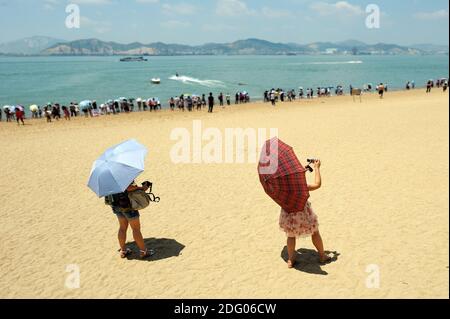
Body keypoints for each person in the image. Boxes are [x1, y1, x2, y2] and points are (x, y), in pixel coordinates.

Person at [279, 160, 331, 268]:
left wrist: (303, 170)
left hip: (288, 213)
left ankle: (291, 259)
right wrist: (317, 168)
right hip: (303, 213)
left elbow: (292, 178)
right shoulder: (301, 186)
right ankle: (322, 255)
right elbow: (317, 184)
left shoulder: (282, 186)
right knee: (315, 232)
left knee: (290, 236)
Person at [109, 181, 154, 259]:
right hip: (127, 205)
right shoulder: (121, 174)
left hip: (116, 205)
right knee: (136, 229)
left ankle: (123, 250)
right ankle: (144, 252)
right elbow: (128, 188)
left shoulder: (108, 177)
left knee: (122, 227)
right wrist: (141, 188)